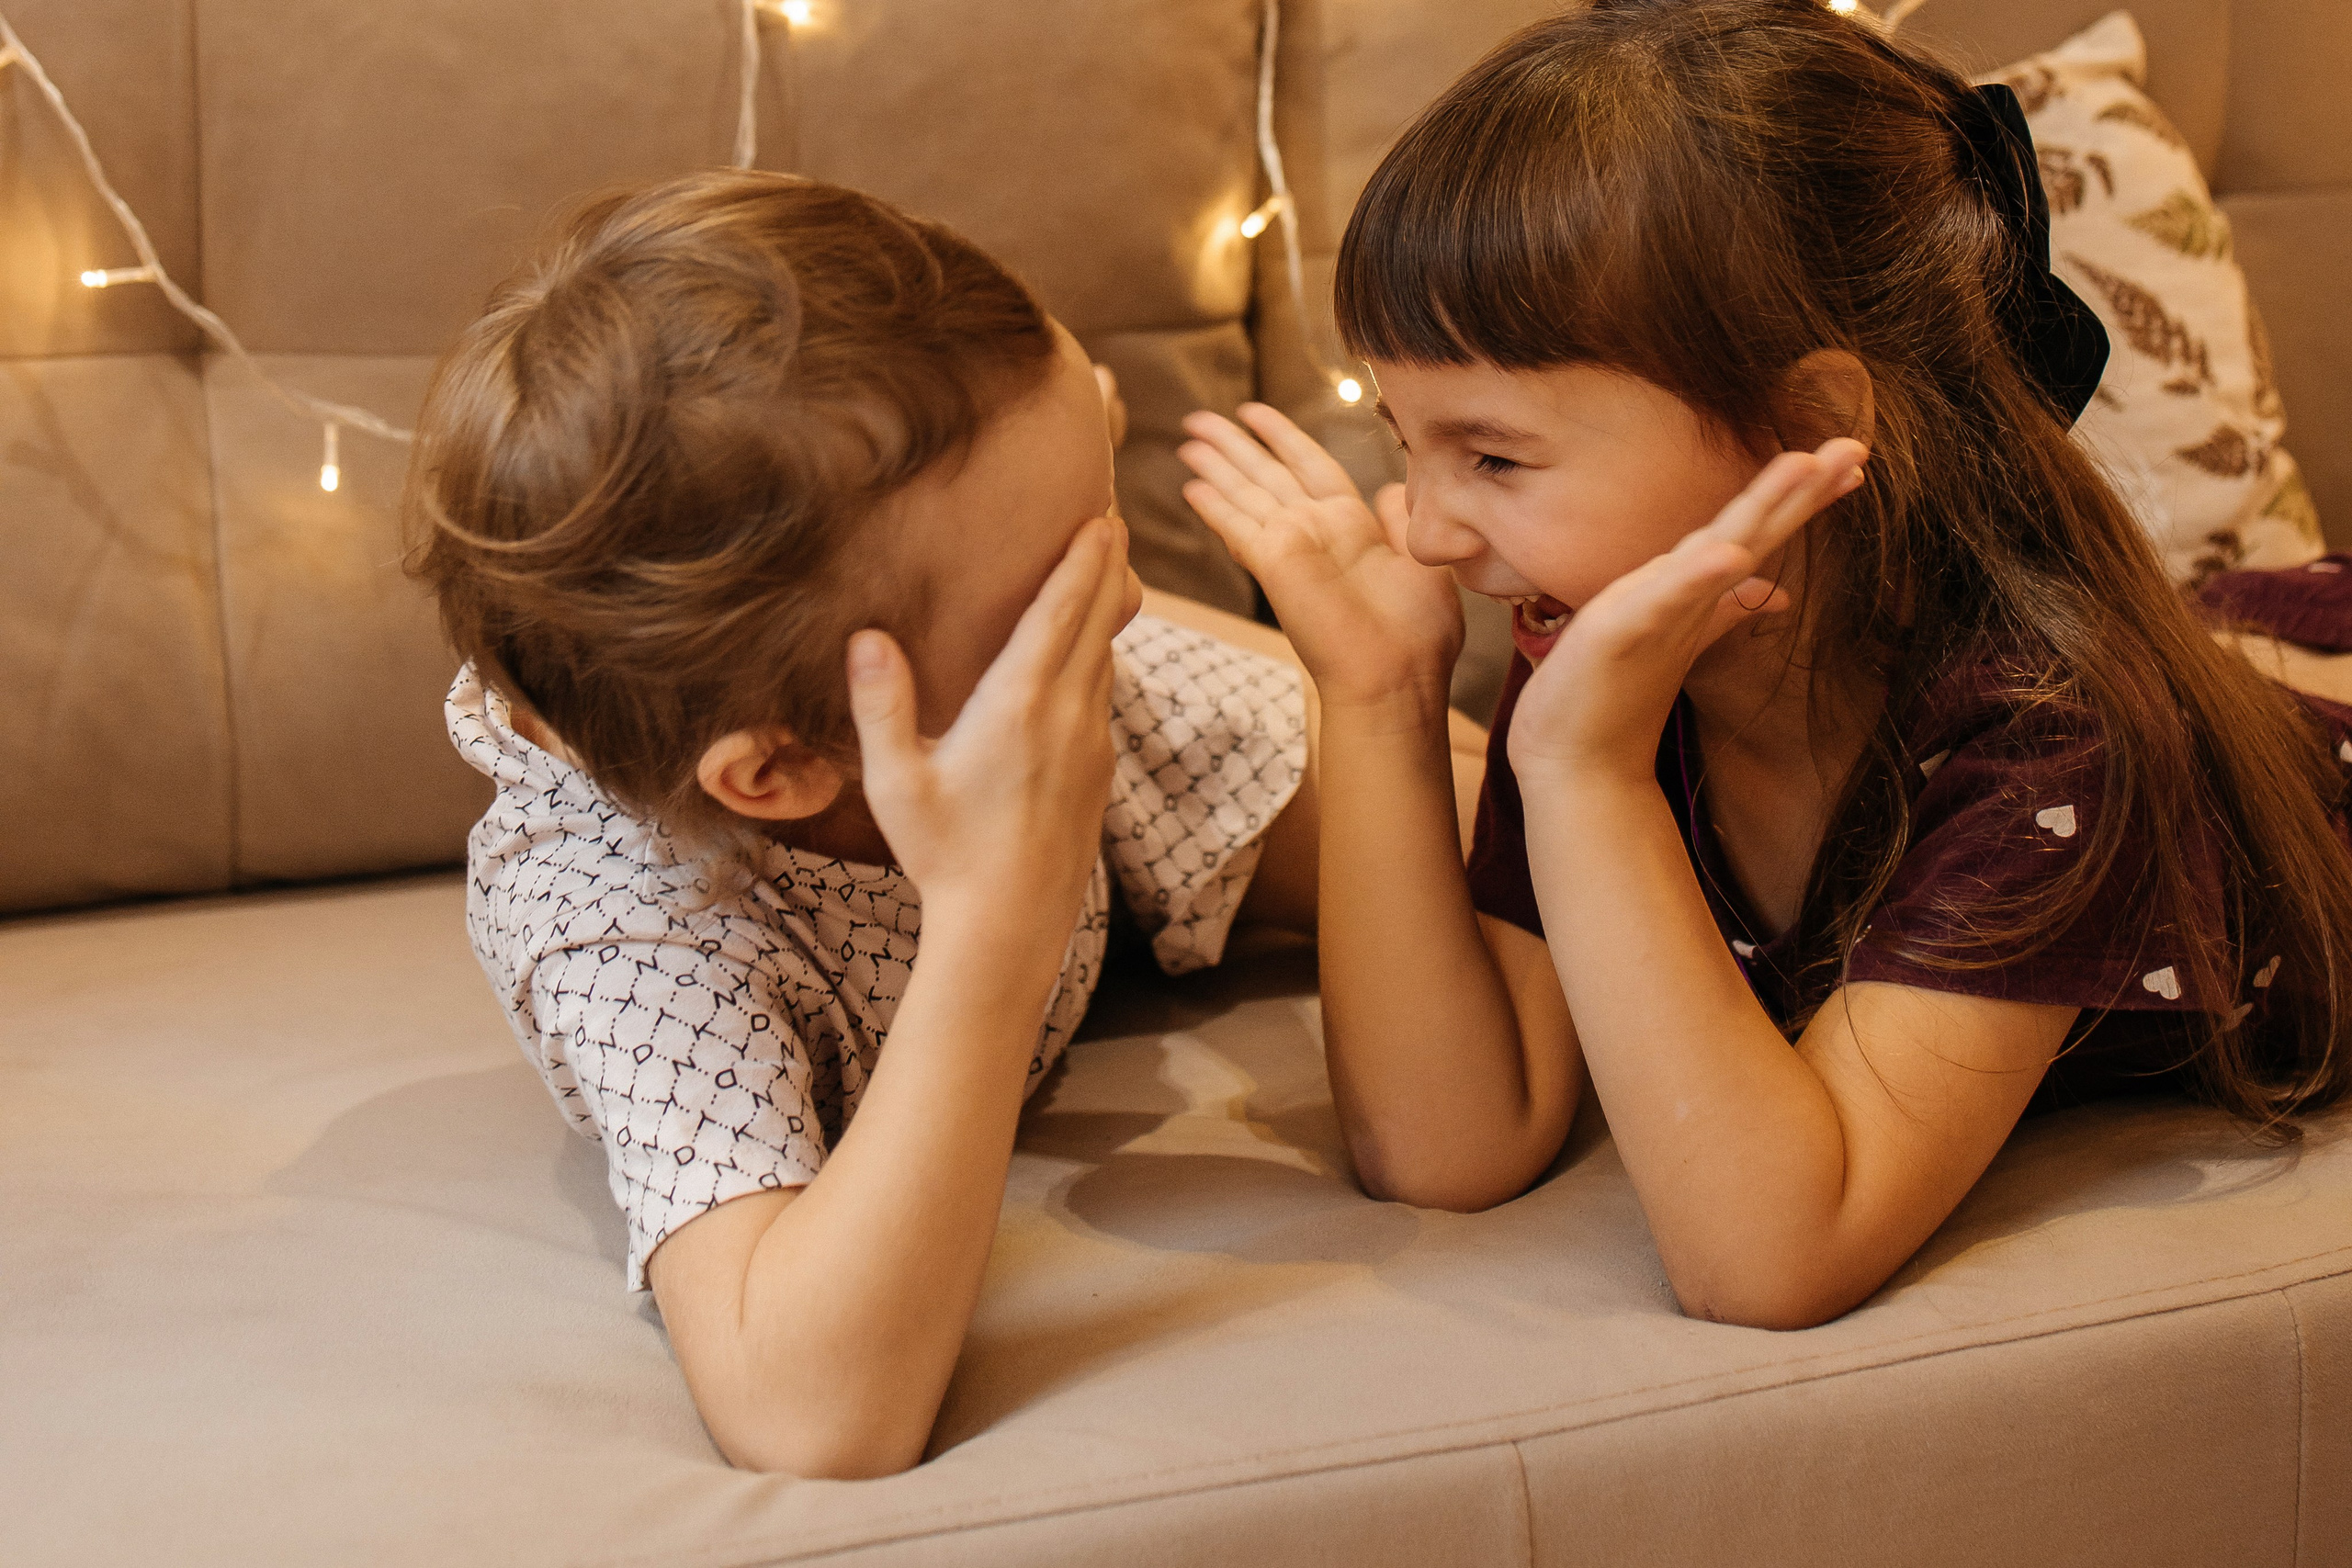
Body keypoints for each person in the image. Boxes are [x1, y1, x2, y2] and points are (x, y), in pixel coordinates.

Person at [1176, 0, 2352, 1333]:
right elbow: (1450, 1146)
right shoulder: (1612, 646)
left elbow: (1771, 1257)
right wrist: (1379, 696)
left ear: (1810, 428)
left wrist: (1585, 775)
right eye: (1406, 443)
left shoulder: (2049, 734)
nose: (1433, 533)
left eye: (1495, 458)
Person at [405, 170, 1484, 1475]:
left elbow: (1520, 890)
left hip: (1043, 736)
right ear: (784, 769)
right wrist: (994, 924)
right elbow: (808, 1416)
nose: (1123, 595)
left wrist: (1382, 701)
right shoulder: (627, 917)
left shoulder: (1050, 643)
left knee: (1471, 793)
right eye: (1067, 581)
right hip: (971, 788)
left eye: (1109, 525)